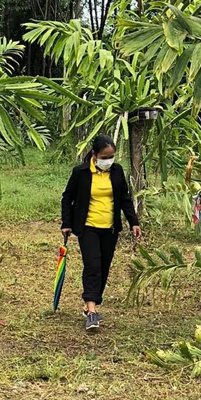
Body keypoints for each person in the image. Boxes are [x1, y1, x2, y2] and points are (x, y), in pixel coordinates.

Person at [61, 134, 142, 332]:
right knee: (93, 265)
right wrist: (66, 223)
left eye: (112, 156)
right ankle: (91, 310)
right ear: (95, 155)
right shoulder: (81, 172)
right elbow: (67, 197)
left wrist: (134, 222)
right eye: (105, 156)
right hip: (87, 226)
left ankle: (92, 300)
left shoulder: (117, 171)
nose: (109, 160)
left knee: (104, 266)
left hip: (110, 227)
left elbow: (124, 198)